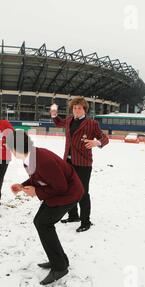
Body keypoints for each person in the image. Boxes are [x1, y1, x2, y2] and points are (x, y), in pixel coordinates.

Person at [7, 131, 84, 285]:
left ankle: (60, 267)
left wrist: (37, 191)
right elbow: (38, 177)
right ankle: (60, 260)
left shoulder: (43, 160)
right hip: (59, 192)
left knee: (43, 223)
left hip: (69, 194)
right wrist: (23, 185)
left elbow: (61, 187)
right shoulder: (30, 157)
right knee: (41, 222)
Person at [51, 97, 109, 232]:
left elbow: (104, 138)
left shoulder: (91, 123)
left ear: (84, 109)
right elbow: (59, 122)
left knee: (83, 192)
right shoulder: (69, 120)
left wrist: (97, 142)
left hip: (83, 163)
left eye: (79, 108)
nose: (76, 110)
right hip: (68, 161)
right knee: (69, 190)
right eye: (74, 108)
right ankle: (73, 216)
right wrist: (54, 114)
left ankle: (85, 221)